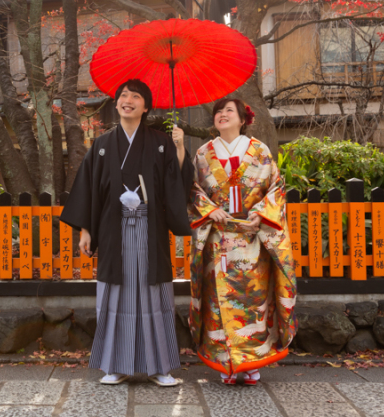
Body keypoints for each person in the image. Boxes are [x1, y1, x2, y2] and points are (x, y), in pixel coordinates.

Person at [60, 78, 192, 387]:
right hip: (113, 229)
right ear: (117, 104)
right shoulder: (103, 145)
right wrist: (85, 230)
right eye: (122, 95)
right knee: (116, 296)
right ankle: (115, 365)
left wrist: (180, 148)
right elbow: (89, 190)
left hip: (150, 228)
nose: (127, 99)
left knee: (153, 295)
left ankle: (159, 366)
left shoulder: (161, 142)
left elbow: (177, 184)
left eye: (135, 96)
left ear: (146, 107)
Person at [187, 97, 297, 385]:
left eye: (228, 111)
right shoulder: (202, 154)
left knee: (252, 300)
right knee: (218, 301)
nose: (222, 115)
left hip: (251, 238)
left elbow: (276, 187)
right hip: (218, 238)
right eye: (218, 112)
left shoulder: (259, 151)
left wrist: (262, 214)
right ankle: (227, 364)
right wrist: (211, 210)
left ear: (242, 119)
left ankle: (251, 363)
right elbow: (193, 190)